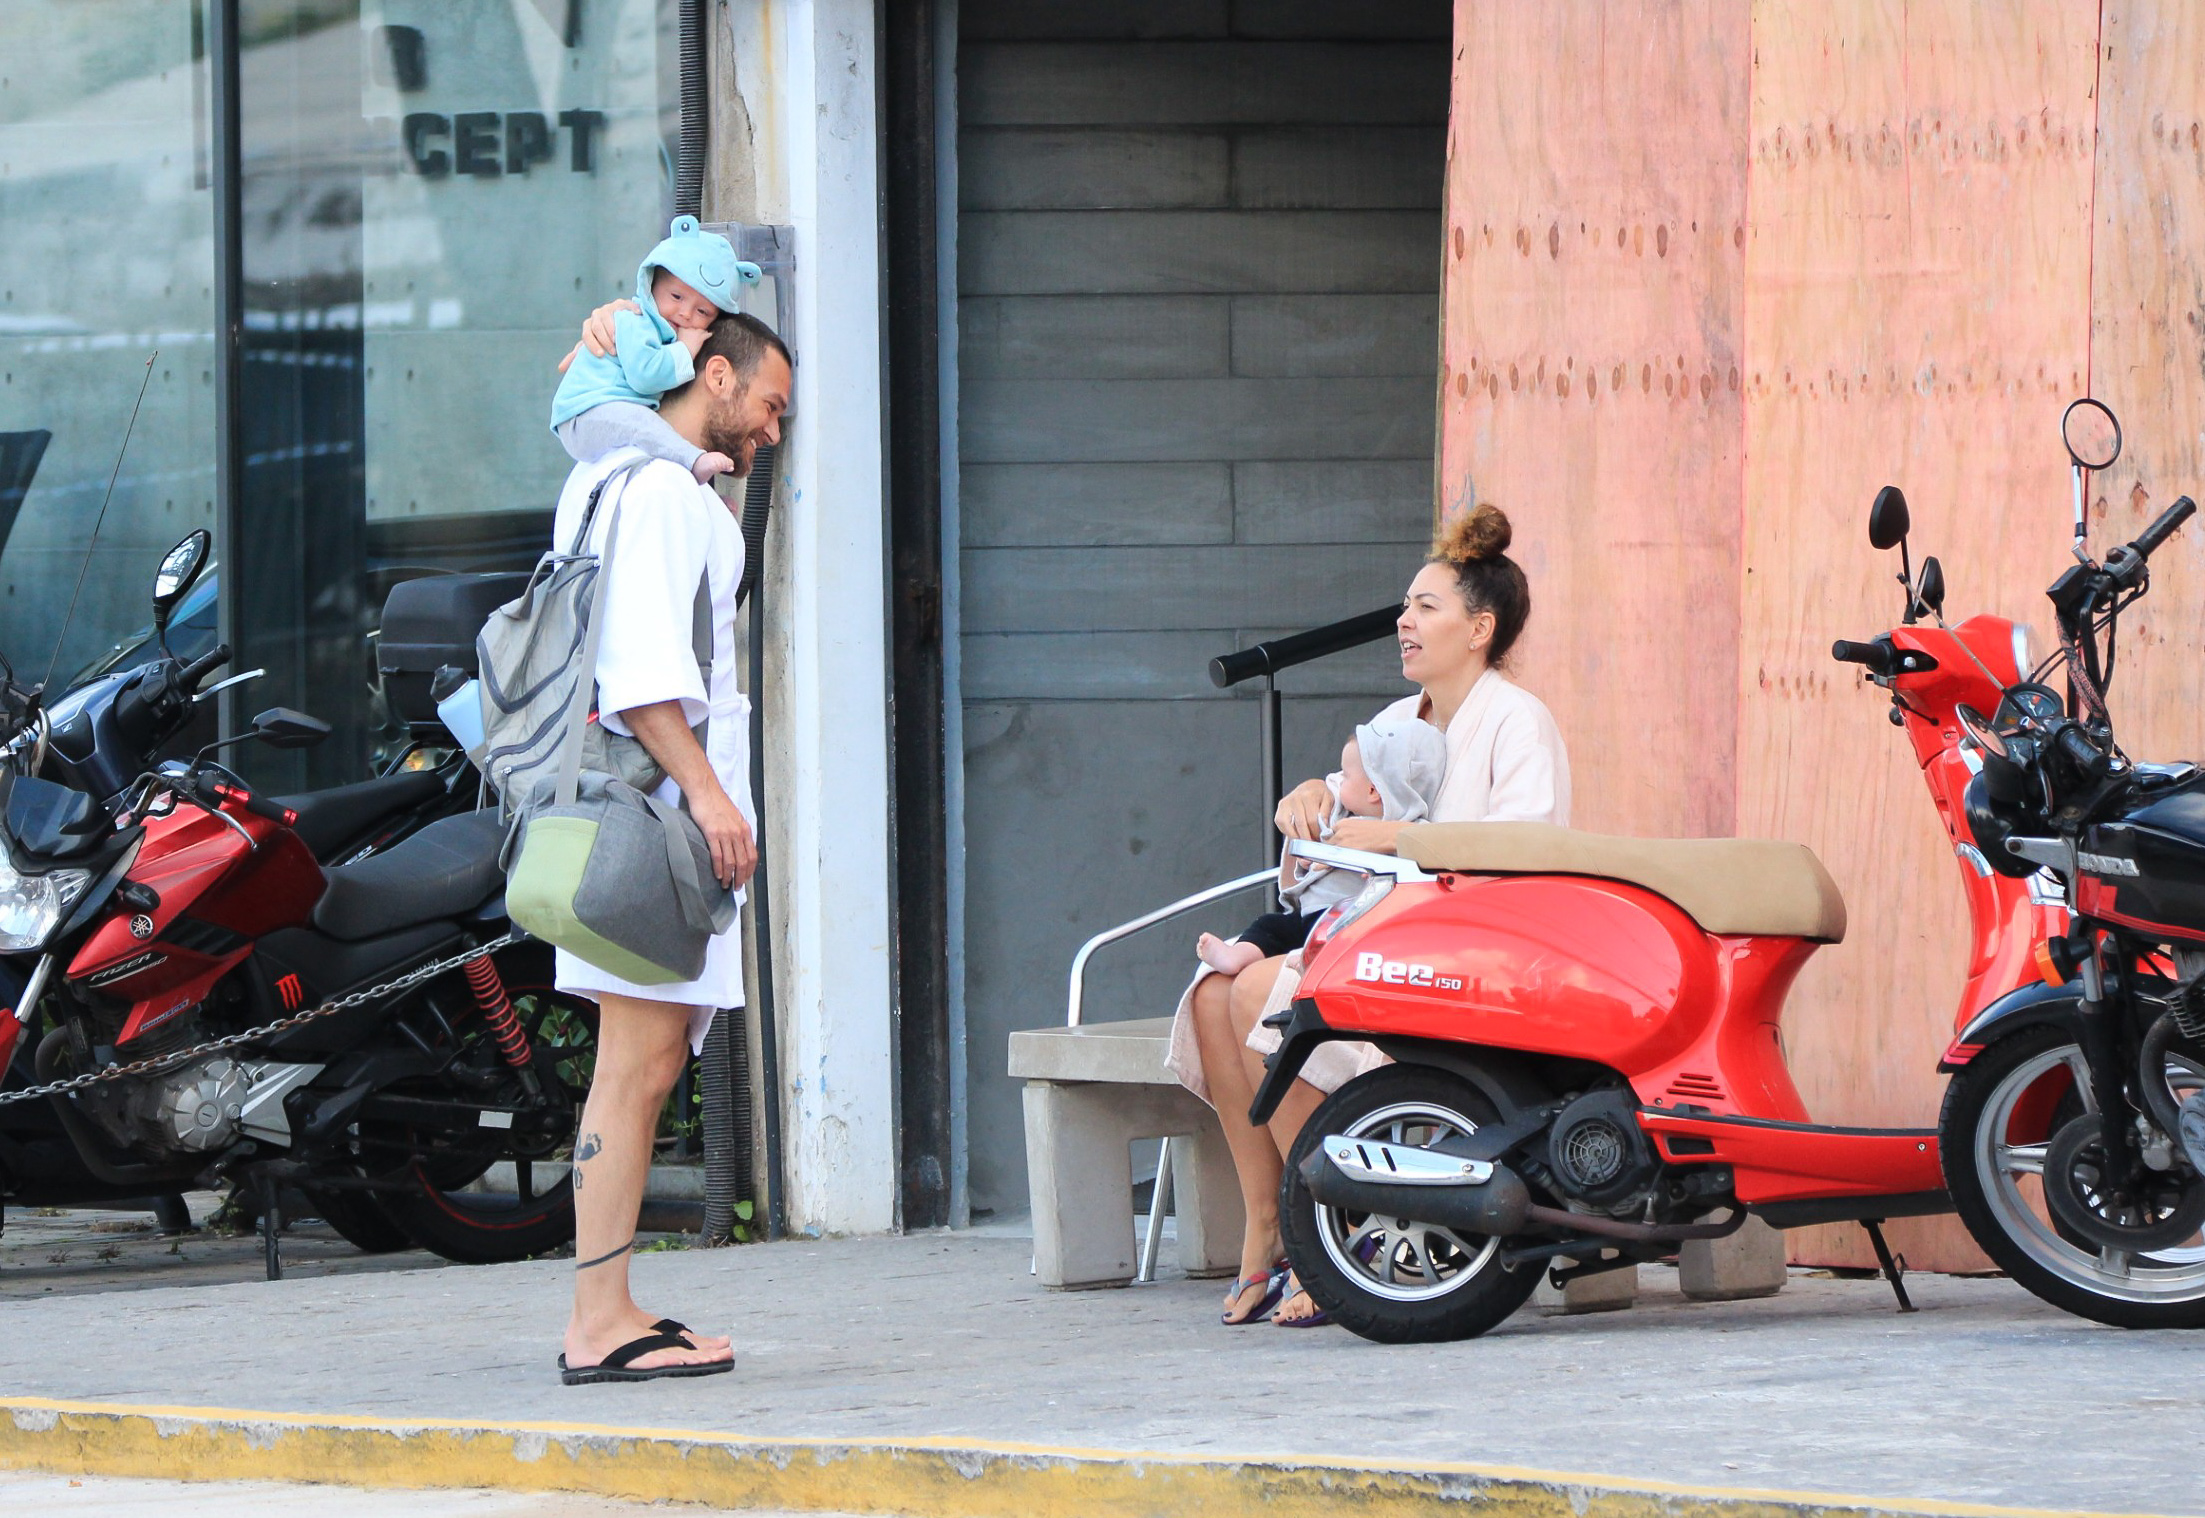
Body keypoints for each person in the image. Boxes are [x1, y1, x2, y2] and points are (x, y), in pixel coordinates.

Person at [1165, 503, 1569, 1327]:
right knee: (1214, 990)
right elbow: (1344, 806)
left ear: (1478, 629)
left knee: (1257, 994)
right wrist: (1309, 798)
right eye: (1406, 605)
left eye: (1426, 607)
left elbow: (1526, 848)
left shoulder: (1517, 721)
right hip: (1382, 926)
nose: (1403, 621)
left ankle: (1330, 1232)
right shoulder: (1396, 721)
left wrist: (1399, 836)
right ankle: (1268, 1223)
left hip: (1468, 942)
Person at [552, 309, 792, 1385]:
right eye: (771, 404)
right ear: (714, 375)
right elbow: (640, 673)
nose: (775, 431)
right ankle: (598, 1320)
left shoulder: (609, 480)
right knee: (636, 1068)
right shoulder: (661, 496)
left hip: (619, 814)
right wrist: (712, 801)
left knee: (636, 1066)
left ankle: (608, 1305)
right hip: (657, 818)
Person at [1195, 716, 1445, 976]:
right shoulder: (1340, 813)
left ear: (1373, 790)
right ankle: (1238, 954)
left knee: (1340, 937)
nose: (1337, 782)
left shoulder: (1410, 831)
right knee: (1270, 925)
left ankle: (1306, 958)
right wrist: (1308, 856)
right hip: (1310, 913)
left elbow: (1422, 870)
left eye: (1345, 776)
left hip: (1351, 918)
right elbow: (1314, 840)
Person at [550, 214, 761, 482]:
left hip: (606, 416)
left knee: (657, 440)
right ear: (650, 284)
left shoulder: (663, 335)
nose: (685, 313)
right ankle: (694, 462)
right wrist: (684, 348)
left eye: (703, 311)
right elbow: (645, 376)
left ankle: (704, 494)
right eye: (676, 297)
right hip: (586, 414)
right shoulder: (635, 320)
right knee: (645, 424)